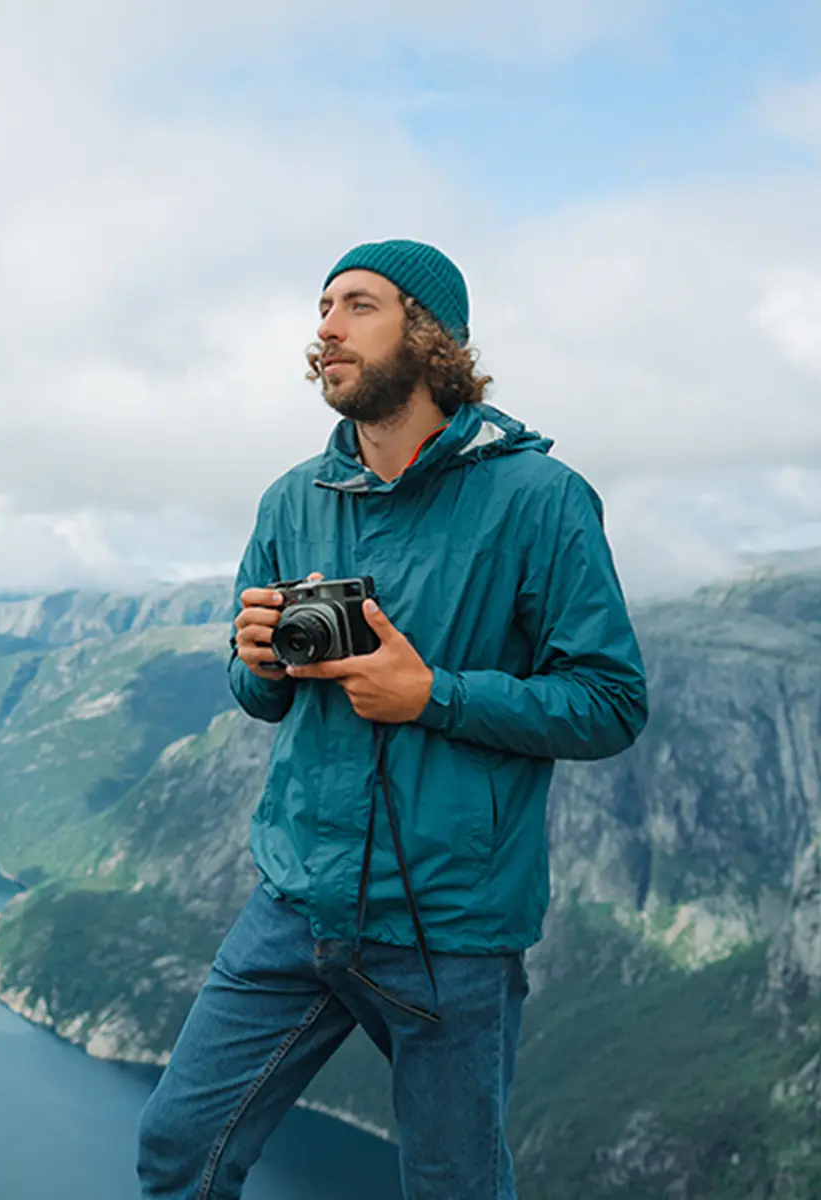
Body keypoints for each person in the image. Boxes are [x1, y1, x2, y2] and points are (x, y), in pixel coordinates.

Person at [136, 239, 648, 1199]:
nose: (324, 327)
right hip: (297, 901)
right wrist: (255, 664)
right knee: (176, 1150)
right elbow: (260, 699)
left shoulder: (540, 500)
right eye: (322, 306)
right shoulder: (294, 498)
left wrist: (434, 695)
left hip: (448, 926)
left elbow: (611, 702)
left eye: (357, 305)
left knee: (454, 1187)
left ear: (430, 337)